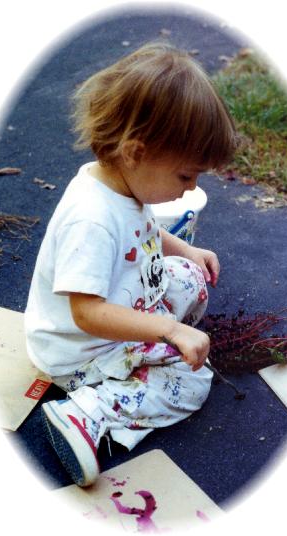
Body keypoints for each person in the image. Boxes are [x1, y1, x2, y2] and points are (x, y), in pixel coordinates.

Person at [25, 41, 236, 487]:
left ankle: (155, 338)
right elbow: (87, 313)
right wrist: (170, 330)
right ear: (137, 152)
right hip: (81, 350)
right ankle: (85, 413)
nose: (190, 187)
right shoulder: (91, 219)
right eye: (185, 176)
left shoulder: (123, 185)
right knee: (190, 385)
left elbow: (141, 230)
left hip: (124, 308)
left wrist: (186, 250)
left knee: (190, 278)